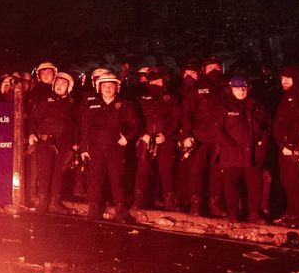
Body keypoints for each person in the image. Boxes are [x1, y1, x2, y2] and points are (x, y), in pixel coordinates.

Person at [79, 71, 139, 222]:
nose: (108, 88)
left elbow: (135, 125)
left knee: (117, 180)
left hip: (115, 149)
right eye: (105, 86)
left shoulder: (125, 106)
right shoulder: (91, 105)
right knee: (95, 179)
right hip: (96, 148)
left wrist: (127, 137)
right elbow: (85, 129)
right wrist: (84, 149)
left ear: (116, 88)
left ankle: (120, 211)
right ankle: (93, 210)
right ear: (99, 88)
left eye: (111, 86)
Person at [179, 57, 227, 216]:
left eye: (217, 67)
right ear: (204, 70)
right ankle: (196, 205)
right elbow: (186, 114)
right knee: (196, 171)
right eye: (210, 67)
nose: (214, 69)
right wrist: (187, 135)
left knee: (218, 171)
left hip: (221, 137)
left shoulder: (226, 86)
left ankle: (215, 204)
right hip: (199, 136)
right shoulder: (196, 88)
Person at [219, 77, 269, 222]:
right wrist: (230, 145)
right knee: (231, 186)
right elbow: (216, 130)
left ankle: (254, 213)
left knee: (255, 185)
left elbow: (267, 127)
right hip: (232, 154)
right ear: (230, 90)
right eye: (237, 88)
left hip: (253, 154)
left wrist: (262, 144)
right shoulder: (224, 107)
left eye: (244, 88)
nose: (241, 91)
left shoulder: (257, 106)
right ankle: (233, 213)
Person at [27, 73, 78, 213]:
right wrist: (31, 133)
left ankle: (54, 203)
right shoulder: (45, 100)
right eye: (57, 83)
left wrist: (76, 143)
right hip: (46, 142)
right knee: (44, 172)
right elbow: (33, 118)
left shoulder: (72, 103)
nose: (59, 85)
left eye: (63, 83)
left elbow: (77, 124)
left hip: (64, 143)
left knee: (59, 173)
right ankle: (42, 203)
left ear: (69, 87)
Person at [133, 68, 179, 210]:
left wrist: (166, 134)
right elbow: (135, 119)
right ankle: (138, 201)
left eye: (158, 81)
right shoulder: (141, 98)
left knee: (166, 170)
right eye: (152, 81)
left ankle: (169, 200)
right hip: (146, 139)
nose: (155, 84)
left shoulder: (171, 98)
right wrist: (143, 135)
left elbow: (176, 119)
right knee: (143, 169)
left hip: (164, 139)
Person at [271, 65, 299, 226]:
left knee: (295, 181)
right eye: (282, 79)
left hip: (293, 147)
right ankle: (291, 212)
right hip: (283, 146)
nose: (284, 82)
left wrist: (290, 143)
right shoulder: (285, 97)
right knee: (287, 180)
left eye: (288, 79)